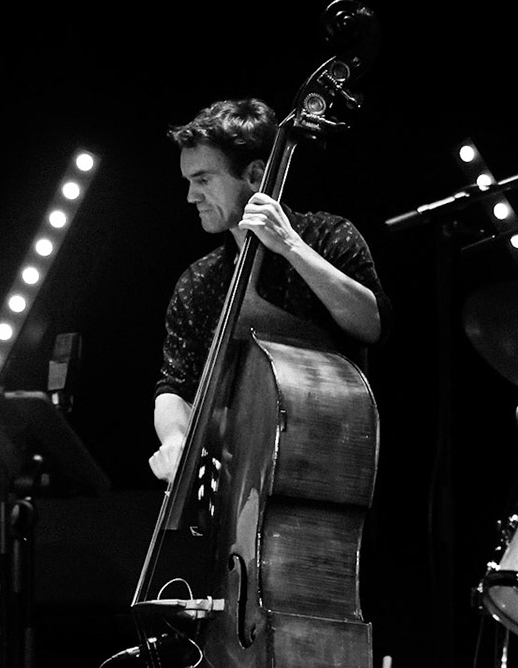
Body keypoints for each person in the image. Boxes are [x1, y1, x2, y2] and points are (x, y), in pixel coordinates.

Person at [149, 97, 386, 482]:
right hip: (236, 484)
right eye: (189, 182)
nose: (191, 197)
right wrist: (177, 439)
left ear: (256, 175)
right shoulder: (198, 282)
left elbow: (371, 324)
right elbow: (175, 384)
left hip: (330, 474)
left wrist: (291, 246)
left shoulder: (327, 237)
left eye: (204, 180)